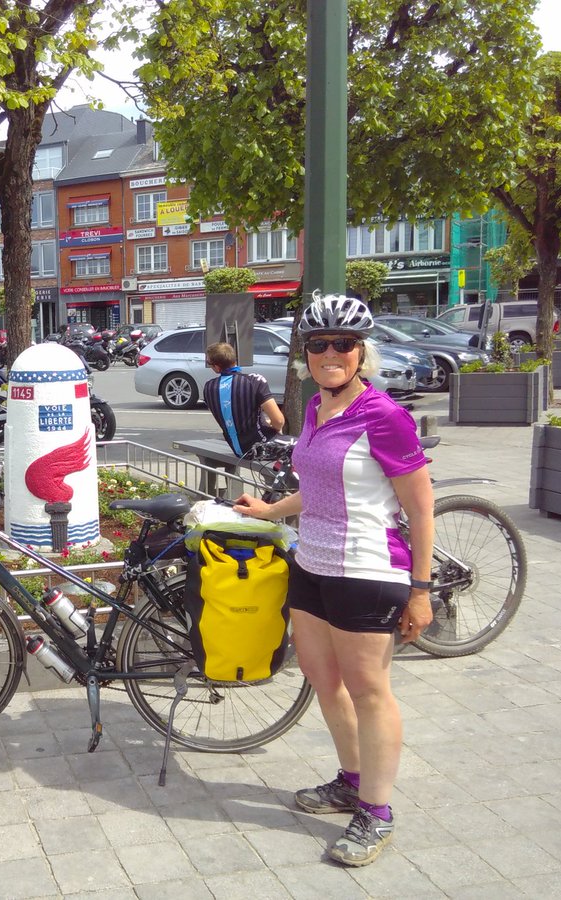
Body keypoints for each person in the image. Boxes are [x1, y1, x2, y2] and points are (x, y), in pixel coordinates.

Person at [232, 293, 434, 867]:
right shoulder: (318, 410)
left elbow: (420, 508)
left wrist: (420, 590)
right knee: (325, 681)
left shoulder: (384, 416)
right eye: (318, 343)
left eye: (342, 344)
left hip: (369, 569)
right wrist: (270, 512)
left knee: (369, 690)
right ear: (305, 352)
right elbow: (319, 489)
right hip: (312, 565)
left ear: (360, 351)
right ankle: (351, 781)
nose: (330, 353)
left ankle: (377, 811)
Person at [201, 341, 285, 457]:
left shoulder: (208, 387)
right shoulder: (254, 381)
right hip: (261, 447)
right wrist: (274, 429)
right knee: (298, 448)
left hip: (238, 449)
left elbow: (234, 418)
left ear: (217, 367)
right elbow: (279, 421)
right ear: (234, 360)